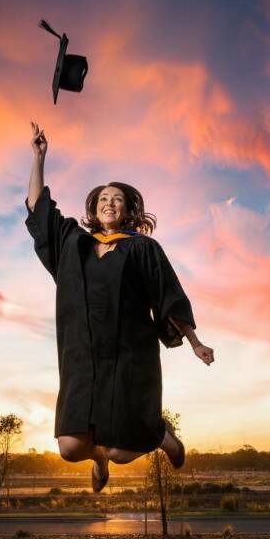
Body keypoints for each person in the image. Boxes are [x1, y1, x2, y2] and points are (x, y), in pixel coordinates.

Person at [25, 121, 215, 492]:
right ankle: (96, 461)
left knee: (121, 450)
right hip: (82, 355)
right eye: (103, 199)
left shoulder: (142, 248)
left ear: (127, 211)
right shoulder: (72, 243)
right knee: (70, 447)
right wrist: (38, 158)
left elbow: (168, 295)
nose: (109, 203)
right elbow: (38, 211)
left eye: (118, 199)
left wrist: (195, 343)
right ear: (93, 210)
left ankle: (162, 437)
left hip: (130, 355)